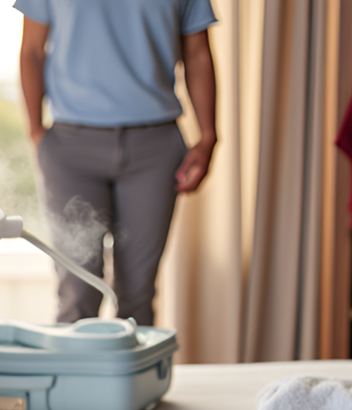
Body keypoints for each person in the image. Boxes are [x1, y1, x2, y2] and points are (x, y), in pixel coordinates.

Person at [16, 0, 217, 326]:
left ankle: (132, 362)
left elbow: (196, 54)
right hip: (71, 148)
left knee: (138, 294)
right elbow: (32, 52)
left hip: (154, 148)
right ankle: (73, 363)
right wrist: (36, 133)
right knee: (77, 293)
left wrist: (208, 136)